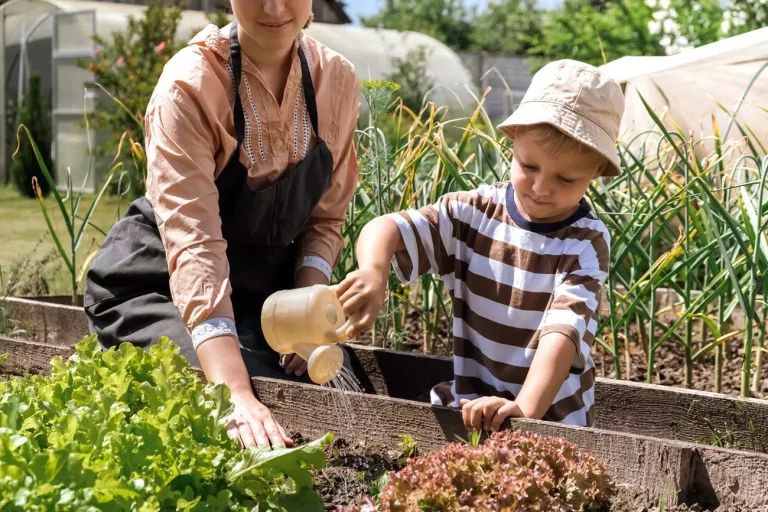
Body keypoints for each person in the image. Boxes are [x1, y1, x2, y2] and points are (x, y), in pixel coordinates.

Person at [83, 0, 360, 449]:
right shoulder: (190, 86)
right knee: (238, 402)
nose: (273, 7)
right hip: (160, 284)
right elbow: (195, 249)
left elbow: (325, 217)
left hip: (258, 295)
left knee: (308, 382)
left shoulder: (337, 81)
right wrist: (233, 393)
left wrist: (305, 313)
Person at [336, 60, 625, 432]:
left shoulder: (585, 243)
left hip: (552, 422)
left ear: (598, 171)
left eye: (566, 178)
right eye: (528, 166)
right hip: (470, 409)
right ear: (513, 138)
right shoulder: (471, 214)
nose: (541, 188)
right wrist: (373, 272)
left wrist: (524, 409)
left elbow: (562, 334)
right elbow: (387, 226)